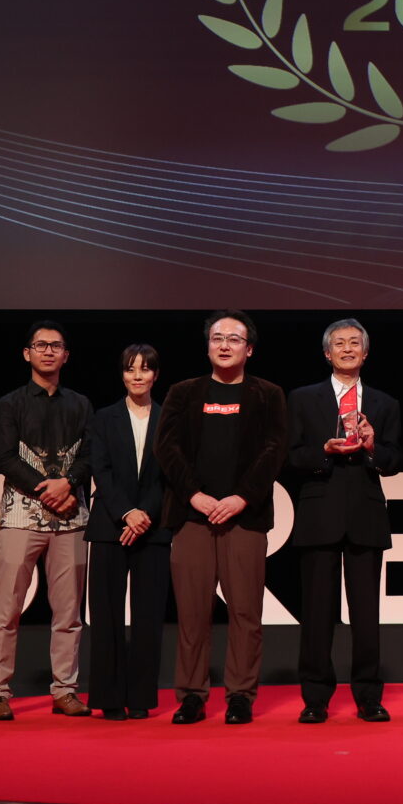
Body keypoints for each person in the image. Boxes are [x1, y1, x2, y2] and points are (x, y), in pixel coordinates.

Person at [158, 311, 288, 725]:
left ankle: (240, 696)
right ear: (207, 346)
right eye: (217, 338)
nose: (225, 345)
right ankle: (191, 696)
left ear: (249, 349)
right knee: (192, 613)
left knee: (245, 613)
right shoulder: (183, 393)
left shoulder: (268, 394)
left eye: (234, 338)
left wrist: (241, 497)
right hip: (192, 517)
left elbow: (274, 450)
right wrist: (194, 495)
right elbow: (167, 448)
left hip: (244, 518)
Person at [286, 318, 402, 723]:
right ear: (327, 353)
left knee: (366, 615)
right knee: (317, 613)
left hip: (366, 515)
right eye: (340, 343)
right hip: (319, 513)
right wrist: (324, 450)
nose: (348, 349)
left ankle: (368, 695)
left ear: (365, 353)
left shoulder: (385, 403)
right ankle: (315, 697)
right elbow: (290, 456)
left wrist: (371, 447)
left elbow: (394, 461)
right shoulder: (303, 399)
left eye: (355, 343)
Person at [0, 320, 94, 720]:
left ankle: (65, 690)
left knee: (69, 613)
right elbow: (4, 456)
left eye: (56, 346)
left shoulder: (81, 404)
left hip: (71, 519)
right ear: (26, 353)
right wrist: (48, 490)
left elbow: (90, 454)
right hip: (21, 517)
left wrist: (69, 483)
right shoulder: (10, 404)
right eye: (41, 345)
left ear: (66, 355)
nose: (48, 351)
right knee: (7, 608)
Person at [83, 344, 171, 720]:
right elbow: (100, 470)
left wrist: (144, 513)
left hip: (153, 528)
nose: (137, 375)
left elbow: (170, 474)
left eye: (145, 369)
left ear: (155, 375)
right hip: (109, 526)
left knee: (149, 616)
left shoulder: (169, 418)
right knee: (106, 616)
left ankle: (140, 698)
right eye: (130, 369)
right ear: (122, 375)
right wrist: (126, 513)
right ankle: (109, 697)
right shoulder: (104, 418)